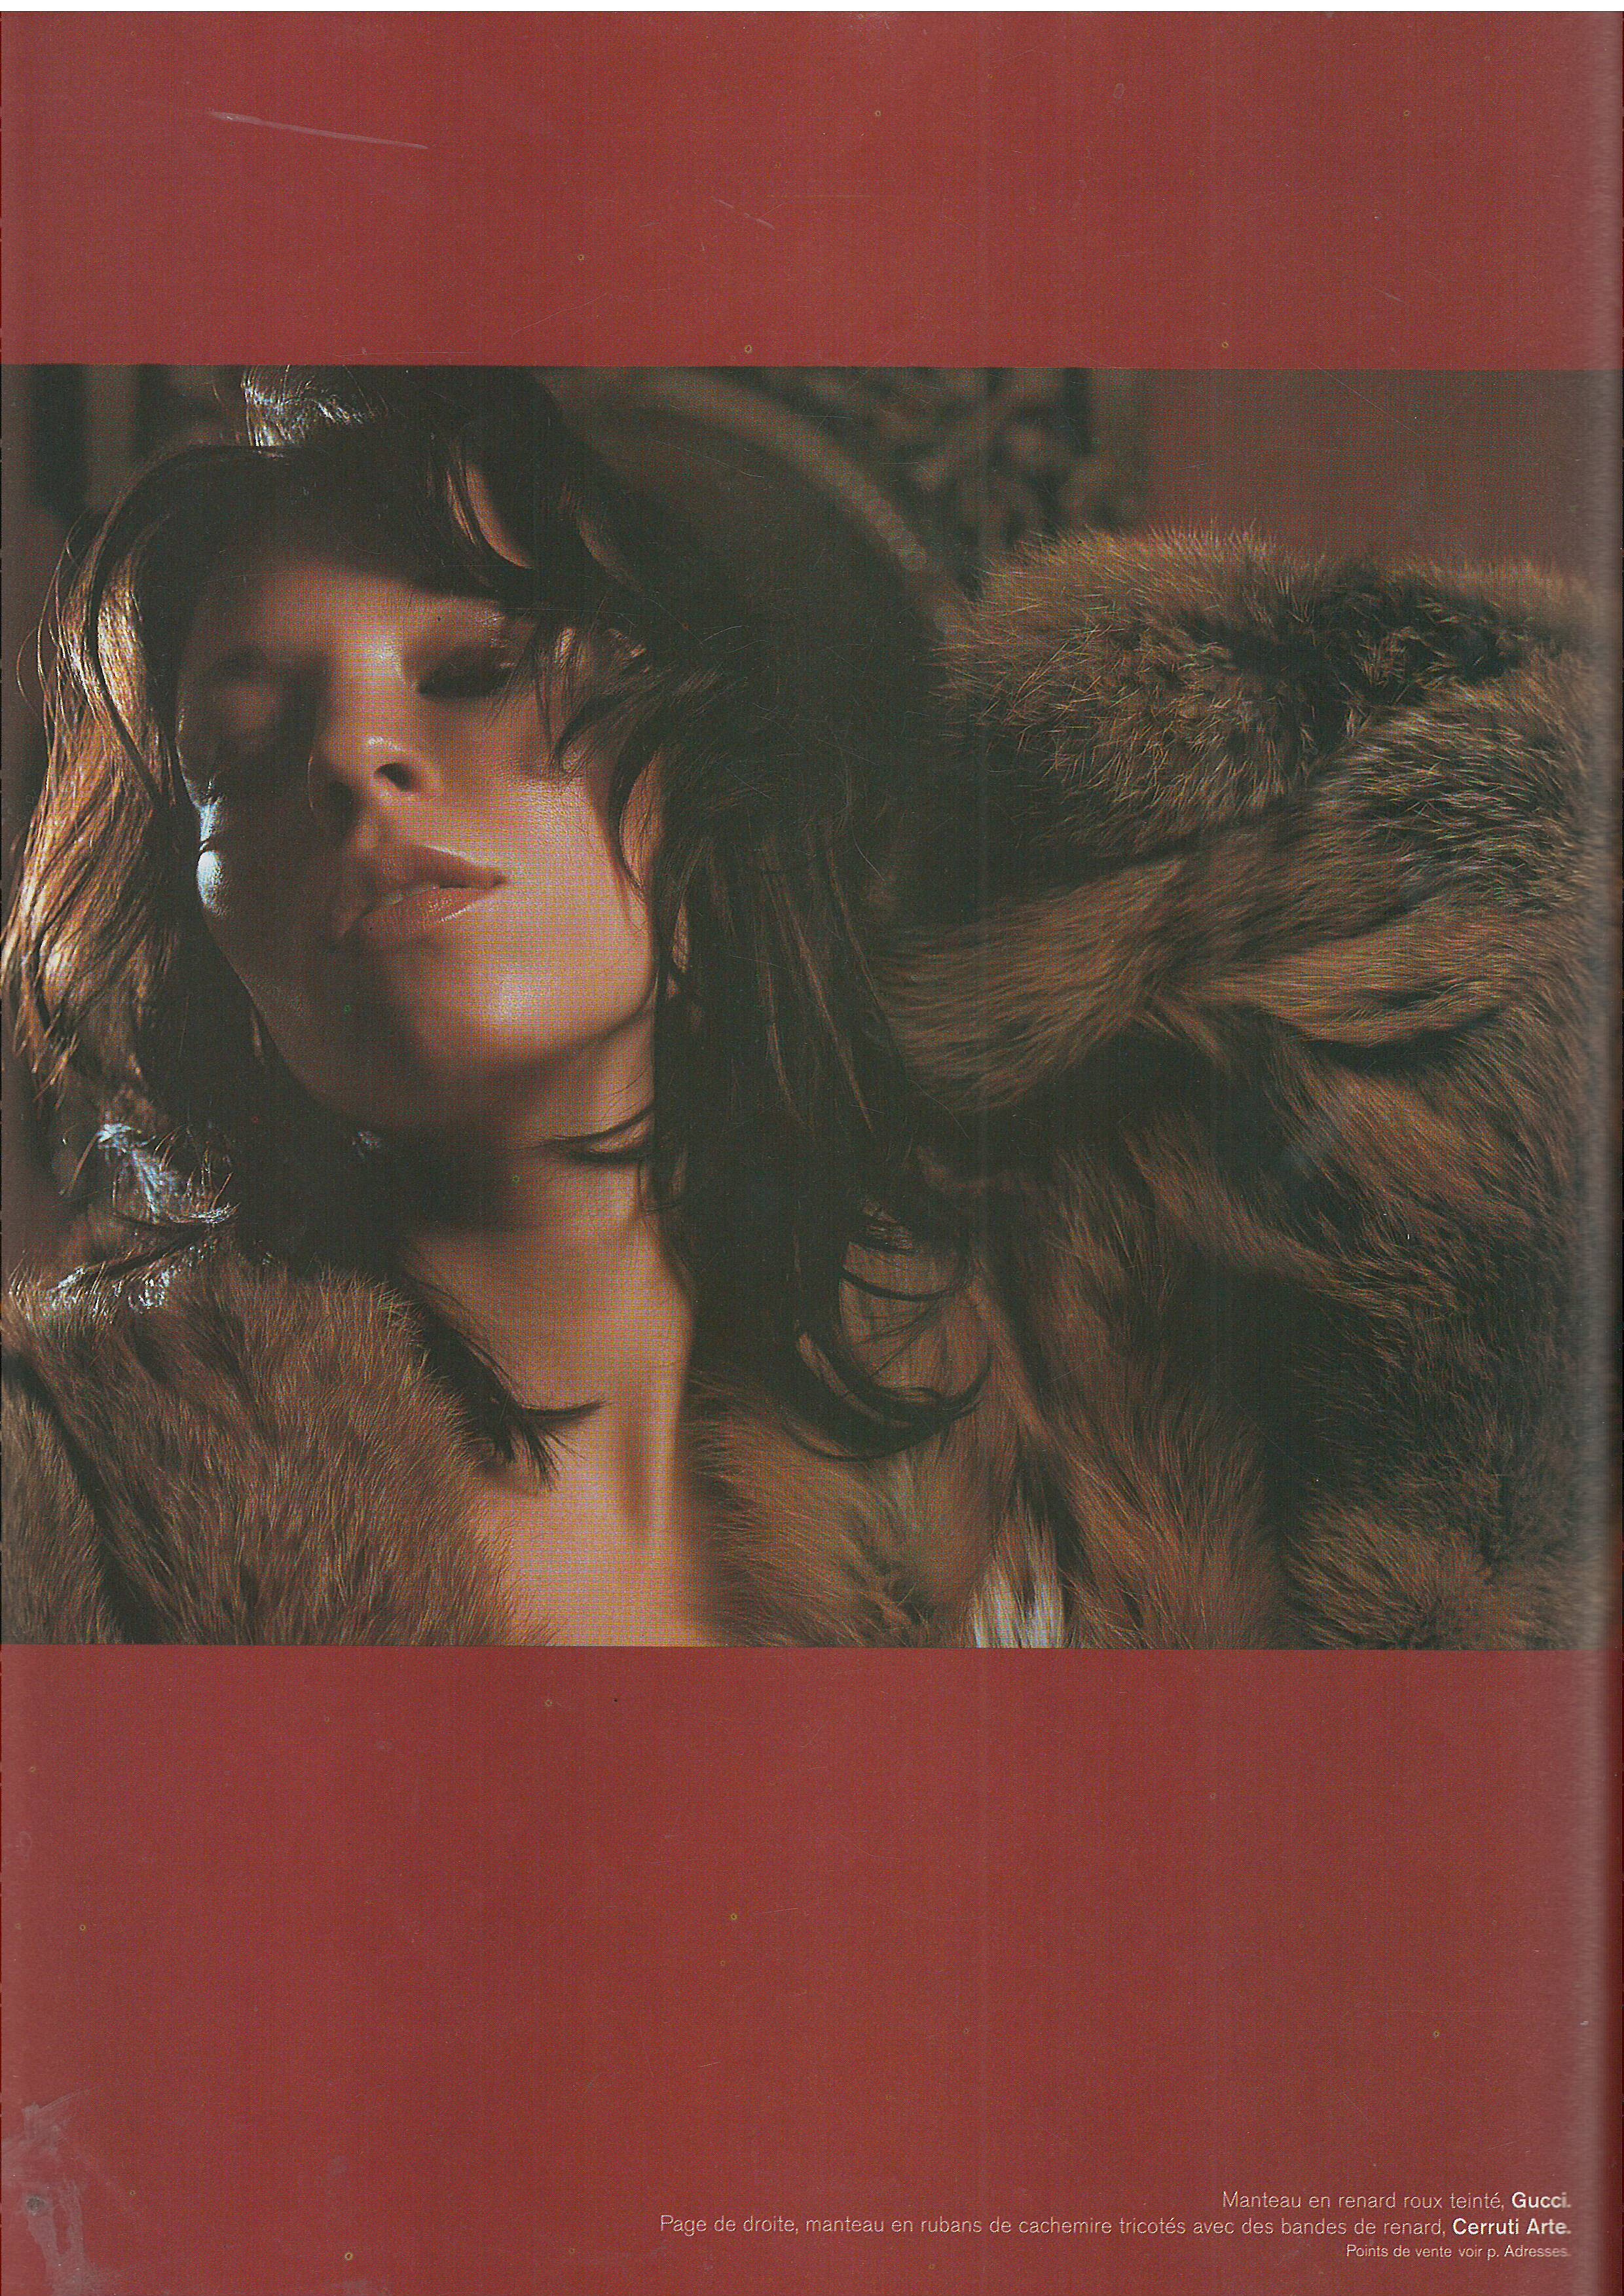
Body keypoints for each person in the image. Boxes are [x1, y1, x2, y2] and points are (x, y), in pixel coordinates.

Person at [1, 368, 1606, 1645]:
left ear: (705, 787)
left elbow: (1556, 810)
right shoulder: (74, 1511)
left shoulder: (1114, 1385)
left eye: (478, 670)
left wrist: (1015, 777)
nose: (352, 759)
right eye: (236, 760)